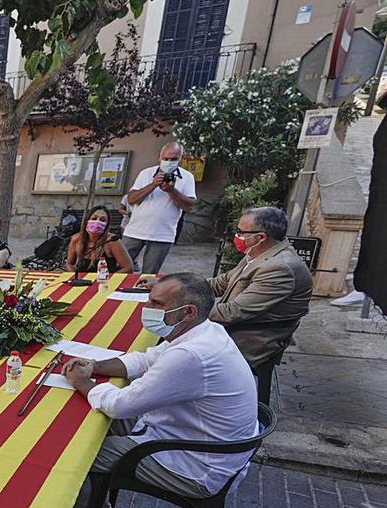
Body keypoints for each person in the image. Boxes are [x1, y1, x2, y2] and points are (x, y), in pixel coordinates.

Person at [58, 272, 258, 508]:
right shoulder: (201, 330)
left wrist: (81, 381)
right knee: (96, 423)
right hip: (192, 438)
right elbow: (146, 359)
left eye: (156, 303)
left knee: (78, 450)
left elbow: (119, 404)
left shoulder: (191, 355)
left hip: (196, 464)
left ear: (187, 312)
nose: (146, 308)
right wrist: (95, 366)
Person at [206, 207, 312, 400]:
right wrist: (177, 286)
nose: (236, 236)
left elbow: (231, 313)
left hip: (250, 338)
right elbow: (220, 283)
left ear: (261, 237)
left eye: (240, 232)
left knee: (173, 351)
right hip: (238, 327)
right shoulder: (258, 253)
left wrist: (181, 308)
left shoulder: (279, 267)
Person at [123, 141, 197, 273]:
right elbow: (131, 199)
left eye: (173, 159)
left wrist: (171, 191)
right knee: (119, 268)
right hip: (135, 230)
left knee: (149, 275)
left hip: (163, 234)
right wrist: (153, 184)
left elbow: (189, 206)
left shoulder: (187, 177)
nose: (169, 162)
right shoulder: (146, 173)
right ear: (160, 157)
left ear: (180, 158)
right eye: (166, 158)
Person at [65, 207, 134, 275]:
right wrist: (75, 276)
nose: (97, 222)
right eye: (94, 219)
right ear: (87, 220)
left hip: (104, 282)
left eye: (102, 220)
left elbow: (128, 268)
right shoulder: (76, 239)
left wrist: (108, 278)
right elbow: (69, 264)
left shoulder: (112, 241)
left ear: (107, 225)